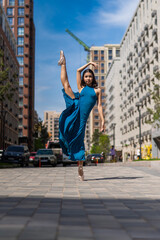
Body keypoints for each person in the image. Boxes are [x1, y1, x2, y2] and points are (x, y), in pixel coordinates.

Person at [58, 50, 105, 181]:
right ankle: (63, 63)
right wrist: (89, 63)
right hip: (75, 107)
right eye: (86, 77)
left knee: (79, 141)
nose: (88, 78)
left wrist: (102, 121)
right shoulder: (81, 88)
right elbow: (78, 71)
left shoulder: (97, 91)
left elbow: (99, 106)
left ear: (93, 78)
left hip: (82, 119)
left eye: (90, 76)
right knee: (66, 85)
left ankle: (80, 167)